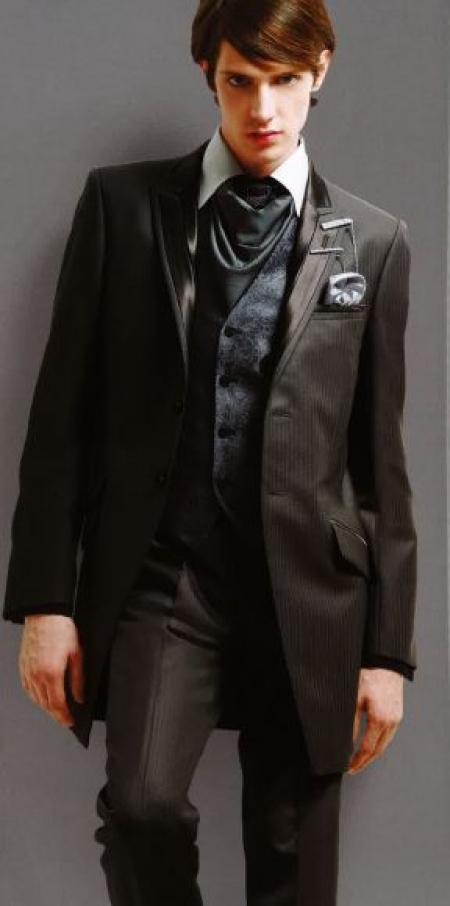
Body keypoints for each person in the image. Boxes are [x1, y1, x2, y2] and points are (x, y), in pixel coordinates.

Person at [3, 1, 418, 904]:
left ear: (320, 70)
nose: (262, 109)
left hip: (311, 590)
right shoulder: (121, 207)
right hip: (169, 573)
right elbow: (61, 416)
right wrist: (45, 601)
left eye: (284, 81)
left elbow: (380, 468)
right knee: (142, 806)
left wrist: (388, 654)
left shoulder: (375, 242)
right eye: (239, 81)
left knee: (293, 854)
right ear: (207, 73)